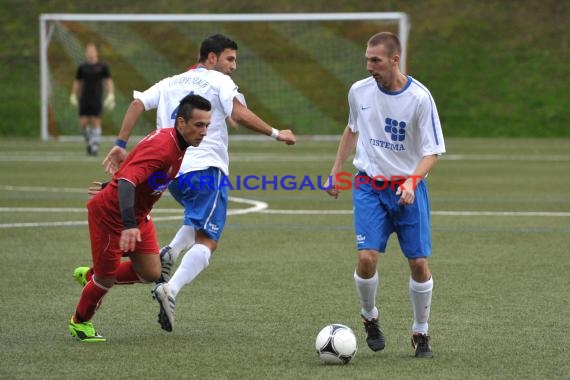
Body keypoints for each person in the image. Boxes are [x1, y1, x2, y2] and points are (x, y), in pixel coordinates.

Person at [101, 34, 296, 332]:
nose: (234, 66)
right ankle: (171, 289)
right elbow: (239, 114)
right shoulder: (218, 81)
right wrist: (275, 132)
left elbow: (138, 103)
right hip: (206, 170)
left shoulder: (171, 81)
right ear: (212, 57)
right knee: (209, 241)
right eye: (230, 59)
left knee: (199, 216)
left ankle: (171, 252)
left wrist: (120, 143)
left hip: (172, 173)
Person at [325, 32, 445, 358]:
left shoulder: (420, 98)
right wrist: (336, 169)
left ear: (395, 59)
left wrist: (411, 183)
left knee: (419, 263)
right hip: (369, 186)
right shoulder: (359, 91)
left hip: (408, 188)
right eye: (367, 59)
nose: (369, 67)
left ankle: (421, 332)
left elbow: (432, 152)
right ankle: (369, 317)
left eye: (375, 60)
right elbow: (353, 129)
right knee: (366, 257)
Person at [68, 94, 212, 342]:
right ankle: (80, 322)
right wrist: (128, 224)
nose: (204, 132)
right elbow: (127, 181)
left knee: (151, 272)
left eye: (207, 125)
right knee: (106, 278)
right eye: (199, 125)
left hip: (137, 214)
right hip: (111, 215)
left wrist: (110, 185)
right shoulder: (164, 147)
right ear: (181, 123)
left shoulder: (176, 143)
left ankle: (90, 276)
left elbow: (137, 170)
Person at [70, 42, 115, 156]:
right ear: (86, 52)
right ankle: (90, 142)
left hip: (96, 98)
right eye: (88, 50)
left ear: (96, 52)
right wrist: (73, 94)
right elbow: (77, 81)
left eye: (92, 50)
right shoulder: (82, 67)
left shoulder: (102, 66)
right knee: (83, 123)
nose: (90, 52)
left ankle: (95, 146)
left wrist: (111, 94)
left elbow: (108, 81)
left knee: (95, 121)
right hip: (84, 98)